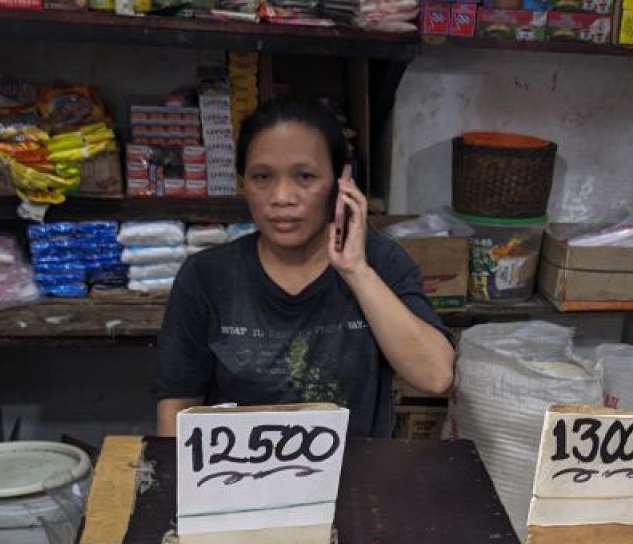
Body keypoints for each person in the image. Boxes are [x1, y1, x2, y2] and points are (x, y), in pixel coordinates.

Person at [154, 98, 456, 437]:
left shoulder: (380, 263)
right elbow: (177, 404)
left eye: (305, 176)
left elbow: (436, 376)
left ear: (341, 182)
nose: (282, 197)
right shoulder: (207, 276)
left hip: (357, 481)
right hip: (237, 483)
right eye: (262, 177)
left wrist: (357, 272)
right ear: (244, 184)